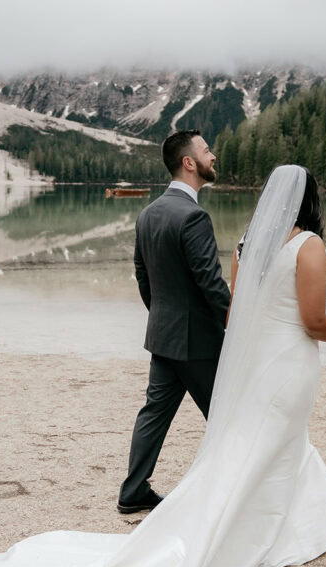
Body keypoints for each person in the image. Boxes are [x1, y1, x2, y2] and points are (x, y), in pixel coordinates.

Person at [0, 165, 326, 567]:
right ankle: (248, 534)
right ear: (312, 200)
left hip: (261, 363)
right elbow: (314, 321)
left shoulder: (246, 247)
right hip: (291, 362)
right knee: (274, 443)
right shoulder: (309, 246)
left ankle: (299, 518)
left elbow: (236, 313)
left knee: (261, 444)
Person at [118, 129, 230, 514]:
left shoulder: (147, 213)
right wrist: (234, 323)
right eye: (206, 150)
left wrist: (164, 318)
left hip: (164, 337)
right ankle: (233, 492)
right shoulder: (194, 216)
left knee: (153, 414)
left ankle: (133, 491)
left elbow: (143, 278)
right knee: (228, 416)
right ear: (189, 162)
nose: (212, 156)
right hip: (198, 343)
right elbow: (211, 284)